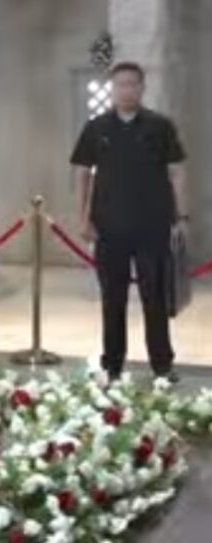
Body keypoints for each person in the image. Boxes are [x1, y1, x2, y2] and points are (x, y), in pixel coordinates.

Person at [71, 61, 186, 383]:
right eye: (120, 84)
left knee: (155, 297)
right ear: (113, 88)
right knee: (113, 299)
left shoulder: (160, 126)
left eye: (132, 84)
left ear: (142, 87)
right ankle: (112, 364)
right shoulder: (97, 128)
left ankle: (162, 364)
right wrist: (83, 218)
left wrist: (180, 215)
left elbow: (176, 171)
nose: (126, 90)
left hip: (153, 226)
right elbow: (82, 174)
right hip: (109, 227)